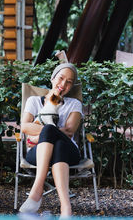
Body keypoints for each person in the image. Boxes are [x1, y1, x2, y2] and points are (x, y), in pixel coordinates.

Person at [19, 63, 82, 217]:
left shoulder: (75, 104)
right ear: (52, 78)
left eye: (69, 82)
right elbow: (25, 127)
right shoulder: (33, 101)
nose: (63, 84)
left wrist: (39, 135)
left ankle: (36, 190)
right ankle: (66, 210)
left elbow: (69, 132)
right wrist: (49, 131)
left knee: (56, 137)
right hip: (37, 153)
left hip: (69, 153)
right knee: (56, 140)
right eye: (61, 78)